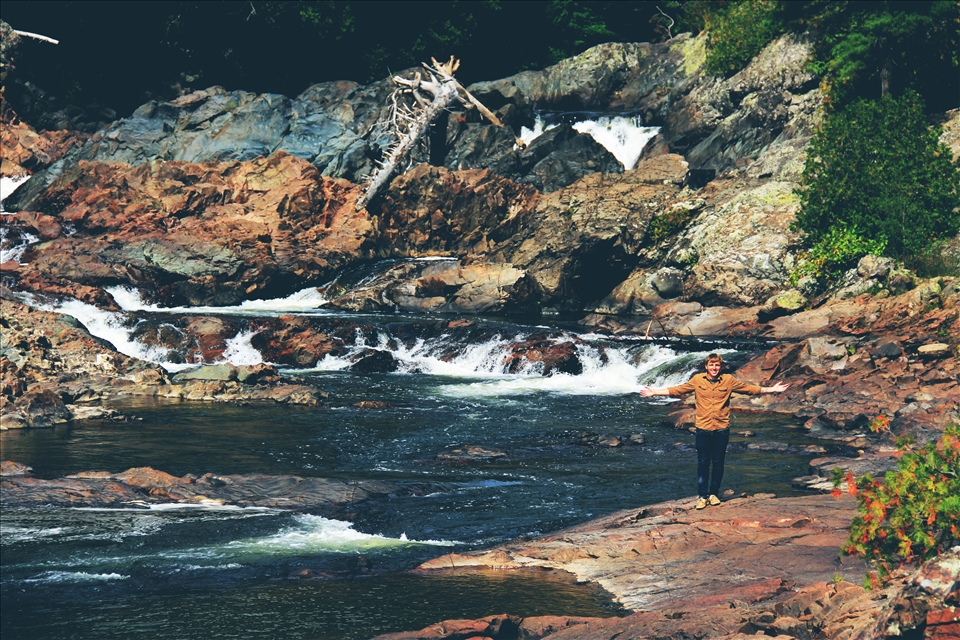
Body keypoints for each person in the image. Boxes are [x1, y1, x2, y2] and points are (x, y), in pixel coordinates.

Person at [638, 353, 790, 510]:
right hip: (703, 428)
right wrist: (655, 392)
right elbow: (679, 390)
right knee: (703, 462)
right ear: (706, 366)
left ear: (720, 366)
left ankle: (714, 494)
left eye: (717, 365)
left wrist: (772, 389)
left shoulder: (728, 380)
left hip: (721, 428)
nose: (714, 368)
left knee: (718, 462)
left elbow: (749, 389)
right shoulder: (697, 380)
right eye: (711, 365)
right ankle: (702, 496)